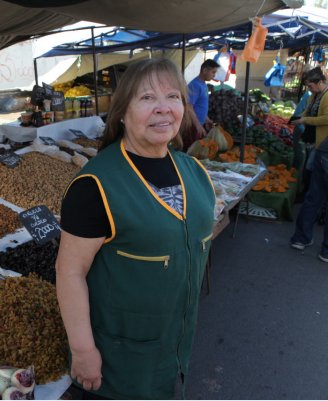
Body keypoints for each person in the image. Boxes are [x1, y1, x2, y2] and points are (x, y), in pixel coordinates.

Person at [55, 58, 216, 399]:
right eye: (146, 99)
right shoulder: (96, 185)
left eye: (172, 96)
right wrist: (83, 351)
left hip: (175, 346)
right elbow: (69, 272)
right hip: (119, 360)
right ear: (122, 113)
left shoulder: (196, 173)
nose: (163, 108)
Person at [290, 67, 328, 260]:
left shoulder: (327, 96)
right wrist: (299, 118)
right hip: (318, 149)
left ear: (319, 81)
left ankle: (314, 244)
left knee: (315, 196)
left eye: (311, 85)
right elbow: (306, 112)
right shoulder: (315, 96)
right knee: (313, 197)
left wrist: (306, 119)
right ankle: (302, 238)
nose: (309, 88)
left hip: (323, 148)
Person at [184, 59, 220, 148]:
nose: (214, 75)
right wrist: (197, 125)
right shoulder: (195, 85)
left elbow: (200, 105)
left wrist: (207, 119)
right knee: (191, 152)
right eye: (213, 72)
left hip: (199, 124)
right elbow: (188, 107)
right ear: (204, 70)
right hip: (192, 126)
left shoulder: (203, 84)